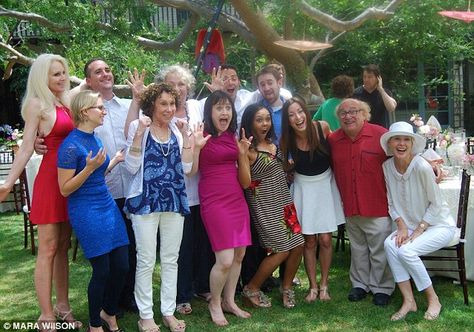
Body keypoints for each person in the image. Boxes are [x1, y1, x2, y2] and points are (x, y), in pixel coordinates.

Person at [35, 58, 140, 314]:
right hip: (96, 198)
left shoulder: (126, 106)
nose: (105, 74)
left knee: (126, 257)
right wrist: (42, 142)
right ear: (88, 82)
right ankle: (98, 311)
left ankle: (121, 302)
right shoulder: (77, 117)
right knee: (101, 263)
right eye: (97, 72)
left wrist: (112, 161)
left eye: (108, 69)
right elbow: (62, 142)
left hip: (127, 189)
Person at [0, 54, 82, 331]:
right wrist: (8, 183)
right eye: (55, 74)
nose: (61, 78)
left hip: (69, 179)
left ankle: (63, 306)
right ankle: (46, 314)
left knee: (63, 246)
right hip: (49, 180)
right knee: (47, 247)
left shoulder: (68, 101)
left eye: (63, 73)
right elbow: (25, 148)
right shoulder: (36, 104)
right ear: (41, 78)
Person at [57, 90, 129, 332]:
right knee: (102, 270)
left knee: (122, 266)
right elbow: (65, 189)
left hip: (106, 205)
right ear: (84, 112)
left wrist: (113, 162)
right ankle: (94, 324)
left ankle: (108, 312)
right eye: (99, 107)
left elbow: (96, 171)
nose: (104, 111)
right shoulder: (70, 146)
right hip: (85, 210)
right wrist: (88, 169)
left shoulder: (96, 139)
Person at [124, 83, 193, 332]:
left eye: (172, 104)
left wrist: (187, 137)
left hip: (174, 199)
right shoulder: (138, 126)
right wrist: (140, 135)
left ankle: (168, 311)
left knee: (171, 259)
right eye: (163, 104)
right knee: (145, 259)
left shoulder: (178, 129)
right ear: (152, 105)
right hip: (145, 201)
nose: (168, 108)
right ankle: (145, 315)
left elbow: (186, 168)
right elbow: (131, 167)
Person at [381, 121, 456, 321]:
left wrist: (419, 230)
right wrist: (401, 224)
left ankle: (433, 300)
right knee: (390, 244)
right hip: (411, 225)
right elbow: (390, 200)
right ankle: (409, 301)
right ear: (389, 143)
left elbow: (437, 204)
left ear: (413, 144)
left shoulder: (422, 166)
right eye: (397, 139)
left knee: (406, 250)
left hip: (438, 225)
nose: (402, 144)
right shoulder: (387, 166)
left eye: (406, 139)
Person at [154, 64, 214, 315]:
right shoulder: (162, 115)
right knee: (180, 246)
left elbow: (223, 111)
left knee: (204, 242)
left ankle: (203, 285)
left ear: (189, 87)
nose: (178, 89)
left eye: (182, 84)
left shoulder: (198, 108)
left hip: (205, 190)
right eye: (172, 84)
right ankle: (181, 294)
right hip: (177, 194)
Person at [190, 90, 252, 326]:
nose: (224, 112)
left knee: (239, 255)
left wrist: (243, 154)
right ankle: (214, 302)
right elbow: (192, 171)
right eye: (219, 108)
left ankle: (229, 301)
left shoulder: (233, 137)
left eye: (228, 107)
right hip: (214, 202)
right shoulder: (201, 136)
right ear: (210, 112)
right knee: (224, 259)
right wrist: (195, 147)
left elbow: (245, 181)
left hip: (236, 199)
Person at [328, 98, 394, 306]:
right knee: (357, 248)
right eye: (343, 113)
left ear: (365, 114)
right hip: (350, 204)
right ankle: (359, 284)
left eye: (353, 111)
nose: (348, 116)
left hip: (376, 203)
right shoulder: (333, 140)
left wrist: (430, 165)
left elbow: (403, 156)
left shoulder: (381, 135)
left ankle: (382, 287)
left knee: (379, 249)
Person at [280, 97, 345, 303]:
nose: (297, 117)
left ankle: (325, 285)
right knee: (309, 241)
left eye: (300, 111)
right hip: (303, 188)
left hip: (325, 186)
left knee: (325, 239)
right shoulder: (286, 140)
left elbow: (339, 153)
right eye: (291, 115)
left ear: (306, 112)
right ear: (287, 120)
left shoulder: (322, 128)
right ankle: (313, 287)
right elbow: (285, 167)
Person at [239, 103, 304, 309]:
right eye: (259, 120)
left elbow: (281, 167)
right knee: (282, 250)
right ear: (250, 122)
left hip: (284, 201)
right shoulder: (248, 151)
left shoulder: (274, 143)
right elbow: (245, 183)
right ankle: (251, 288)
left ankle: (286, 288)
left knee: (298, 245)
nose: (265, 123)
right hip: (265, 205)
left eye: (267, 119)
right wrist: (241, 155)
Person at [353, 64, 396, 128]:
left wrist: (381, 89)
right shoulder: (356, 93)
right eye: (364, 77)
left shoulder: (385, 93)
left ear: (378, 78)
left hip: (381, 130)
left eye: (370, 77)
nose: (366, 80)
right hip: (362, 131)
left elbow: (391, 108)